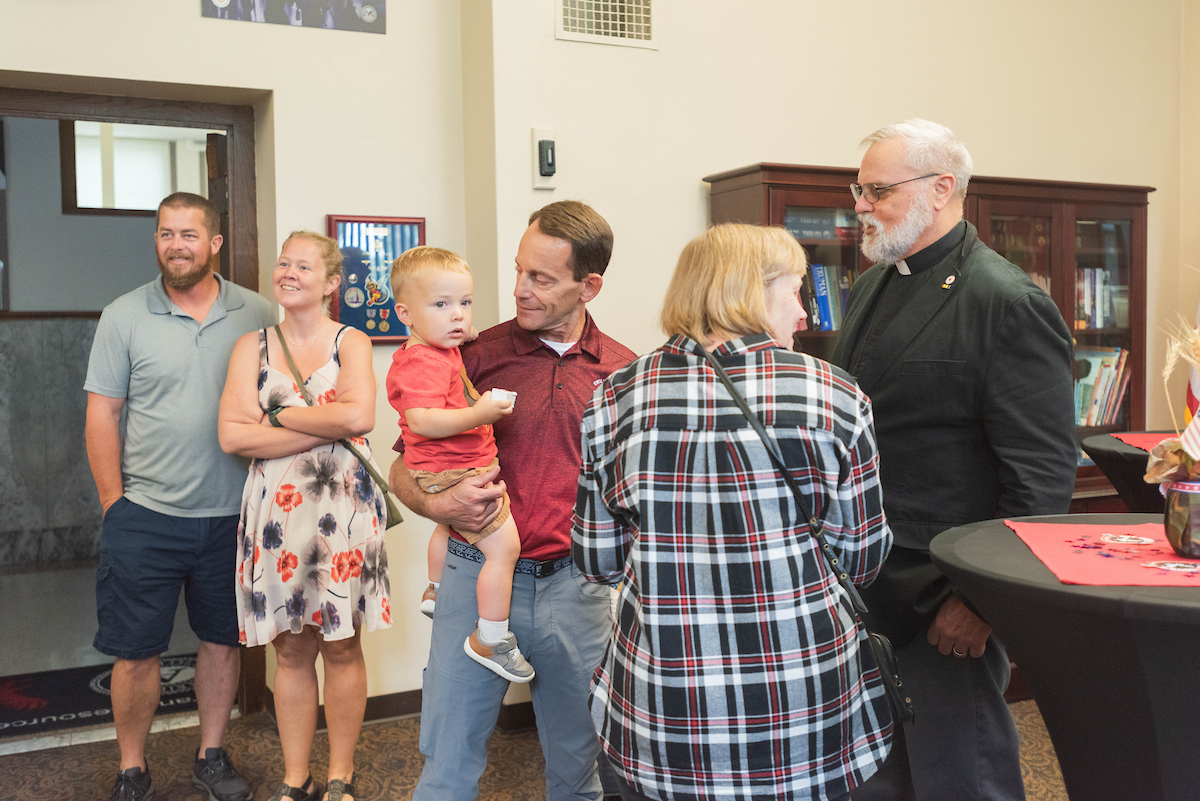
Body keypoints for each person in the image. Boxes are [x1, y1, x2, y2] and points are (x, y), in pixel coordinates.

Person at [573, 223, 894, 801]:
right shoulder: (835, 394)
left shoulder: (615, 396)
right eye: (795, 291)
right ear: (753, 290)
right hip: (803, 698)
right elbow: (862, 559)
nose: (803, 314)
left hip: (664, 698)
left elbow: (596, 561)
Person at [831, 119, 1077, 801]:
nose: (861, 205)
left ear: (942, 189)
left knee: (958, 776)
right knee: (876, 781)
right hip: (867, 591)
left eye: (876, 189)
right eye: (860, 189)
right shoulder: (878, 281)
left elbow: (1041, 480)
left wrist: (981, 602)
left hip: (944, 602)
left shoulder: (1005, 301)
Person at [388, 200, 637, 801]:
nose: (520, 289)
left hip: (577, 593)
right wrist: (439, 506)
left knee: (581, 774)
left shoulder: (627, 373)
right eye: (520, 270)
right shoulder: (470, 355)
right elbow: (402, 467)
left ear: (590, 286)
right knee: (446, 767)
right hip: (473, 583)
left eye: (542, 279)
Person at [85, 192, 276, 801]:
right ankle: (132, 768)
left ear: (214, 243)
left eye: (189, 235)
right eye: (166, 234)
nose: (176, 245)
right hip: (146, 515)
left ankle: (211, 756)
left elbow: (286, 402)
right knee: (135, 650)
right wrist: (115, 505)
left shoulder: (258, 313)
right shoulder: (123, 315)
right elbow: (102, 415)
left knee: (221, 643)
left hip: (234, 515)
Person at [218, 230, 390, 801]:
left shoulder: (353, 341)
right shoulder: (252, 347)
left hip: (341, 510)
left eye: (303, 266)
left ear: (332, 282)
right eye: (283, 264)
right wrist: (323, 421)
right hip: (276, 516)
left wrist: (276, 421)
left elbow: (360, 414)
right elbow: (231, 435)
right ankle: (297, 778)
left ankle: (340, 774)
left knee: (342, 644)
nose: (288, 273)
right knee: (290, 648)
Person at [386, 246, 533, 683]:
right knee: (504, 549)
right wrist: (479, 415)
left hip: (446, 469)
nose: (458, 316)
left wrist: (463, 336)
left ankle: (434, 587)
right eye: (441, 305)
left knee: (448, 528)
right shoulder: (421, 362)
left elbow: (451, 354)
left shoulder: (436, 350)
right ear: (406, 313)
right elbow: (422, 420)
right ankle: (490, 636)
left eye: (464, 303)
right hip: (453, 470)